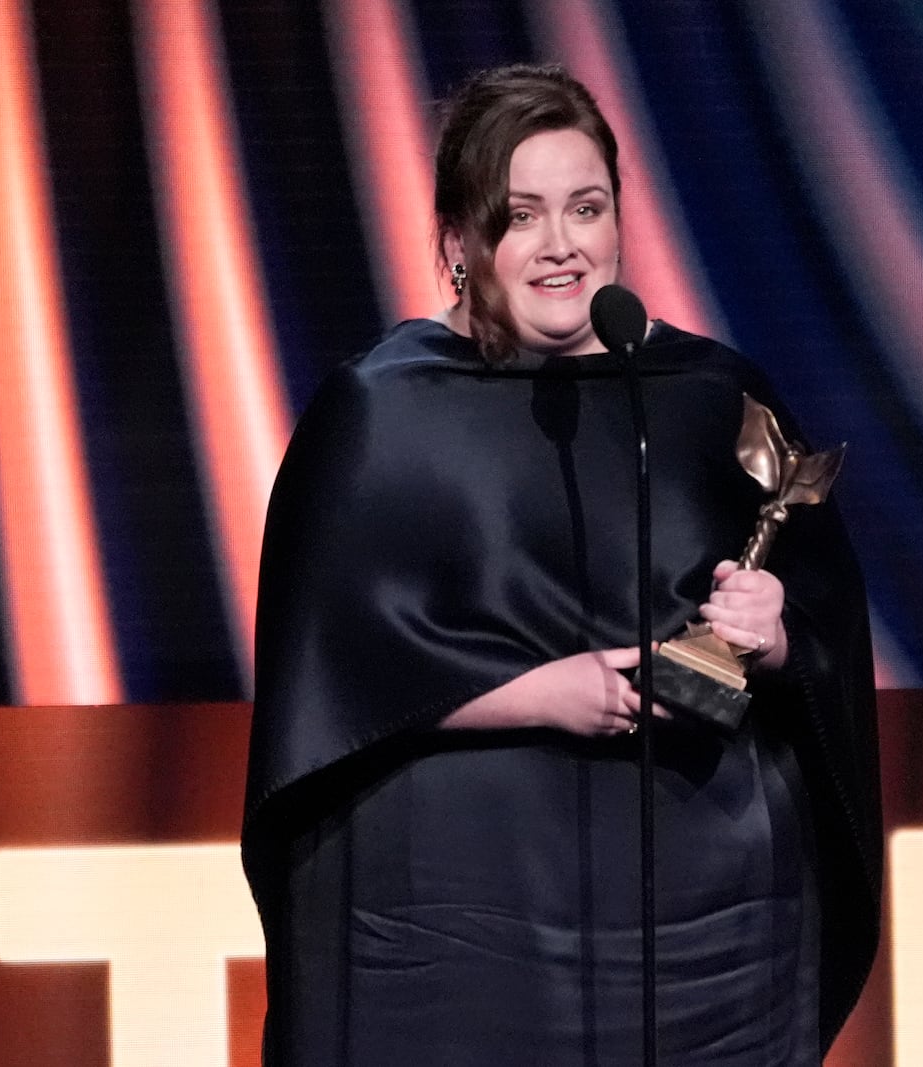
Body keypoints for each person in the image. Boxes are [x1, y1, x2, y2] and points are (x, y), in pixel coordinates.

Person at [240, 63, 881, 1066]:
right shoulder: (382, 412)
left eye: (586, 208)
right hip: (462, 929)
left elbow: (826, 626)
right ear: (457, 241)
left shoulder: (707, 395)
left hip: (703, 933)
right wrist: (540, 692)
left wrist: (779, 627)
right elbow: (324, 685)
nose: (560, 246)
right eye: (521, 214)